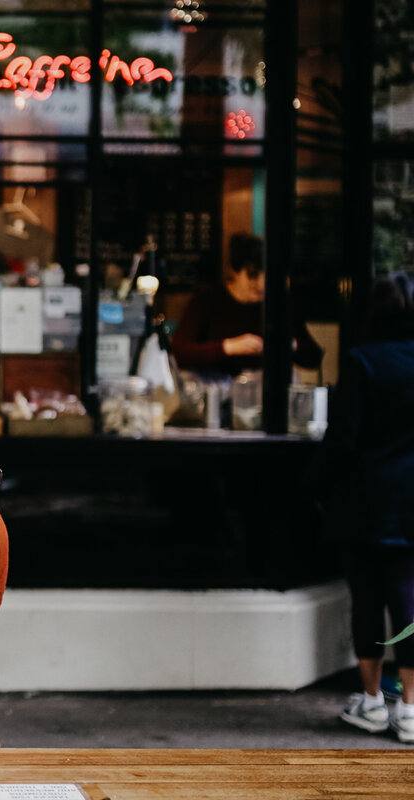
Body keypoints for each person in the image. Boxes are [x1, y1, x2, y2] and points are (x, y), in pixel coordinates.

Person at [313, 270, 414, 743]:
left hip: (365, 500)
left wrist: (321, 488)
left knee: (367, 600)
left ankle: (372, 700)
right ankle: (411, 709)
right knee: (409, 599)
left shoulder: (360, 360)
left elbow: (343, 439)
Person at [172, 233, 323, 378]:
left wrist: (290, 344)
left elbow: (314, 357)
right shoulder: (206, 300)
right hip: (215, 395)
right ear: (235, 271)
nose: (260, 284)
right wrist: (228, 347)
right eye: (252, 275)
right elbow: (179, 353)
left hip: (262, 395)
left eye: (266, 276)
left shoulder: (278, 305)